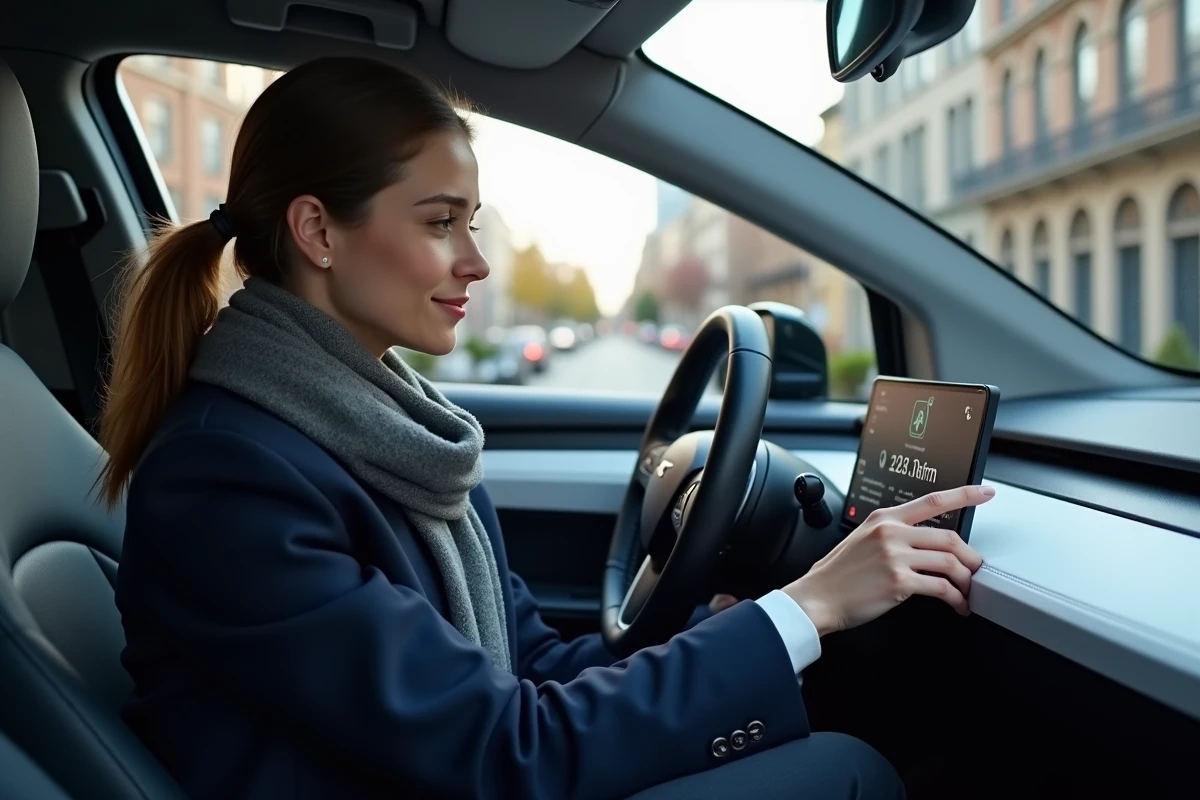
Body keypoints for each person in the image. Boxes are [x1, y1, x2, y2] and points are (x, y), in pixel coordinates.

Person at [101, 56, 994, 800]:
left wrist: (736, 627)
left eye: (472, 223)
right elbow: (503, 748)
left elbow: (521, 661)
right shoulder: (229, 476)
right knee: (845, 773)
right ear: (317, 231)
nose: (476, 261)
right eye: (440, 222)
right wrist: (806, 608)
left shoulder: (395, 431)